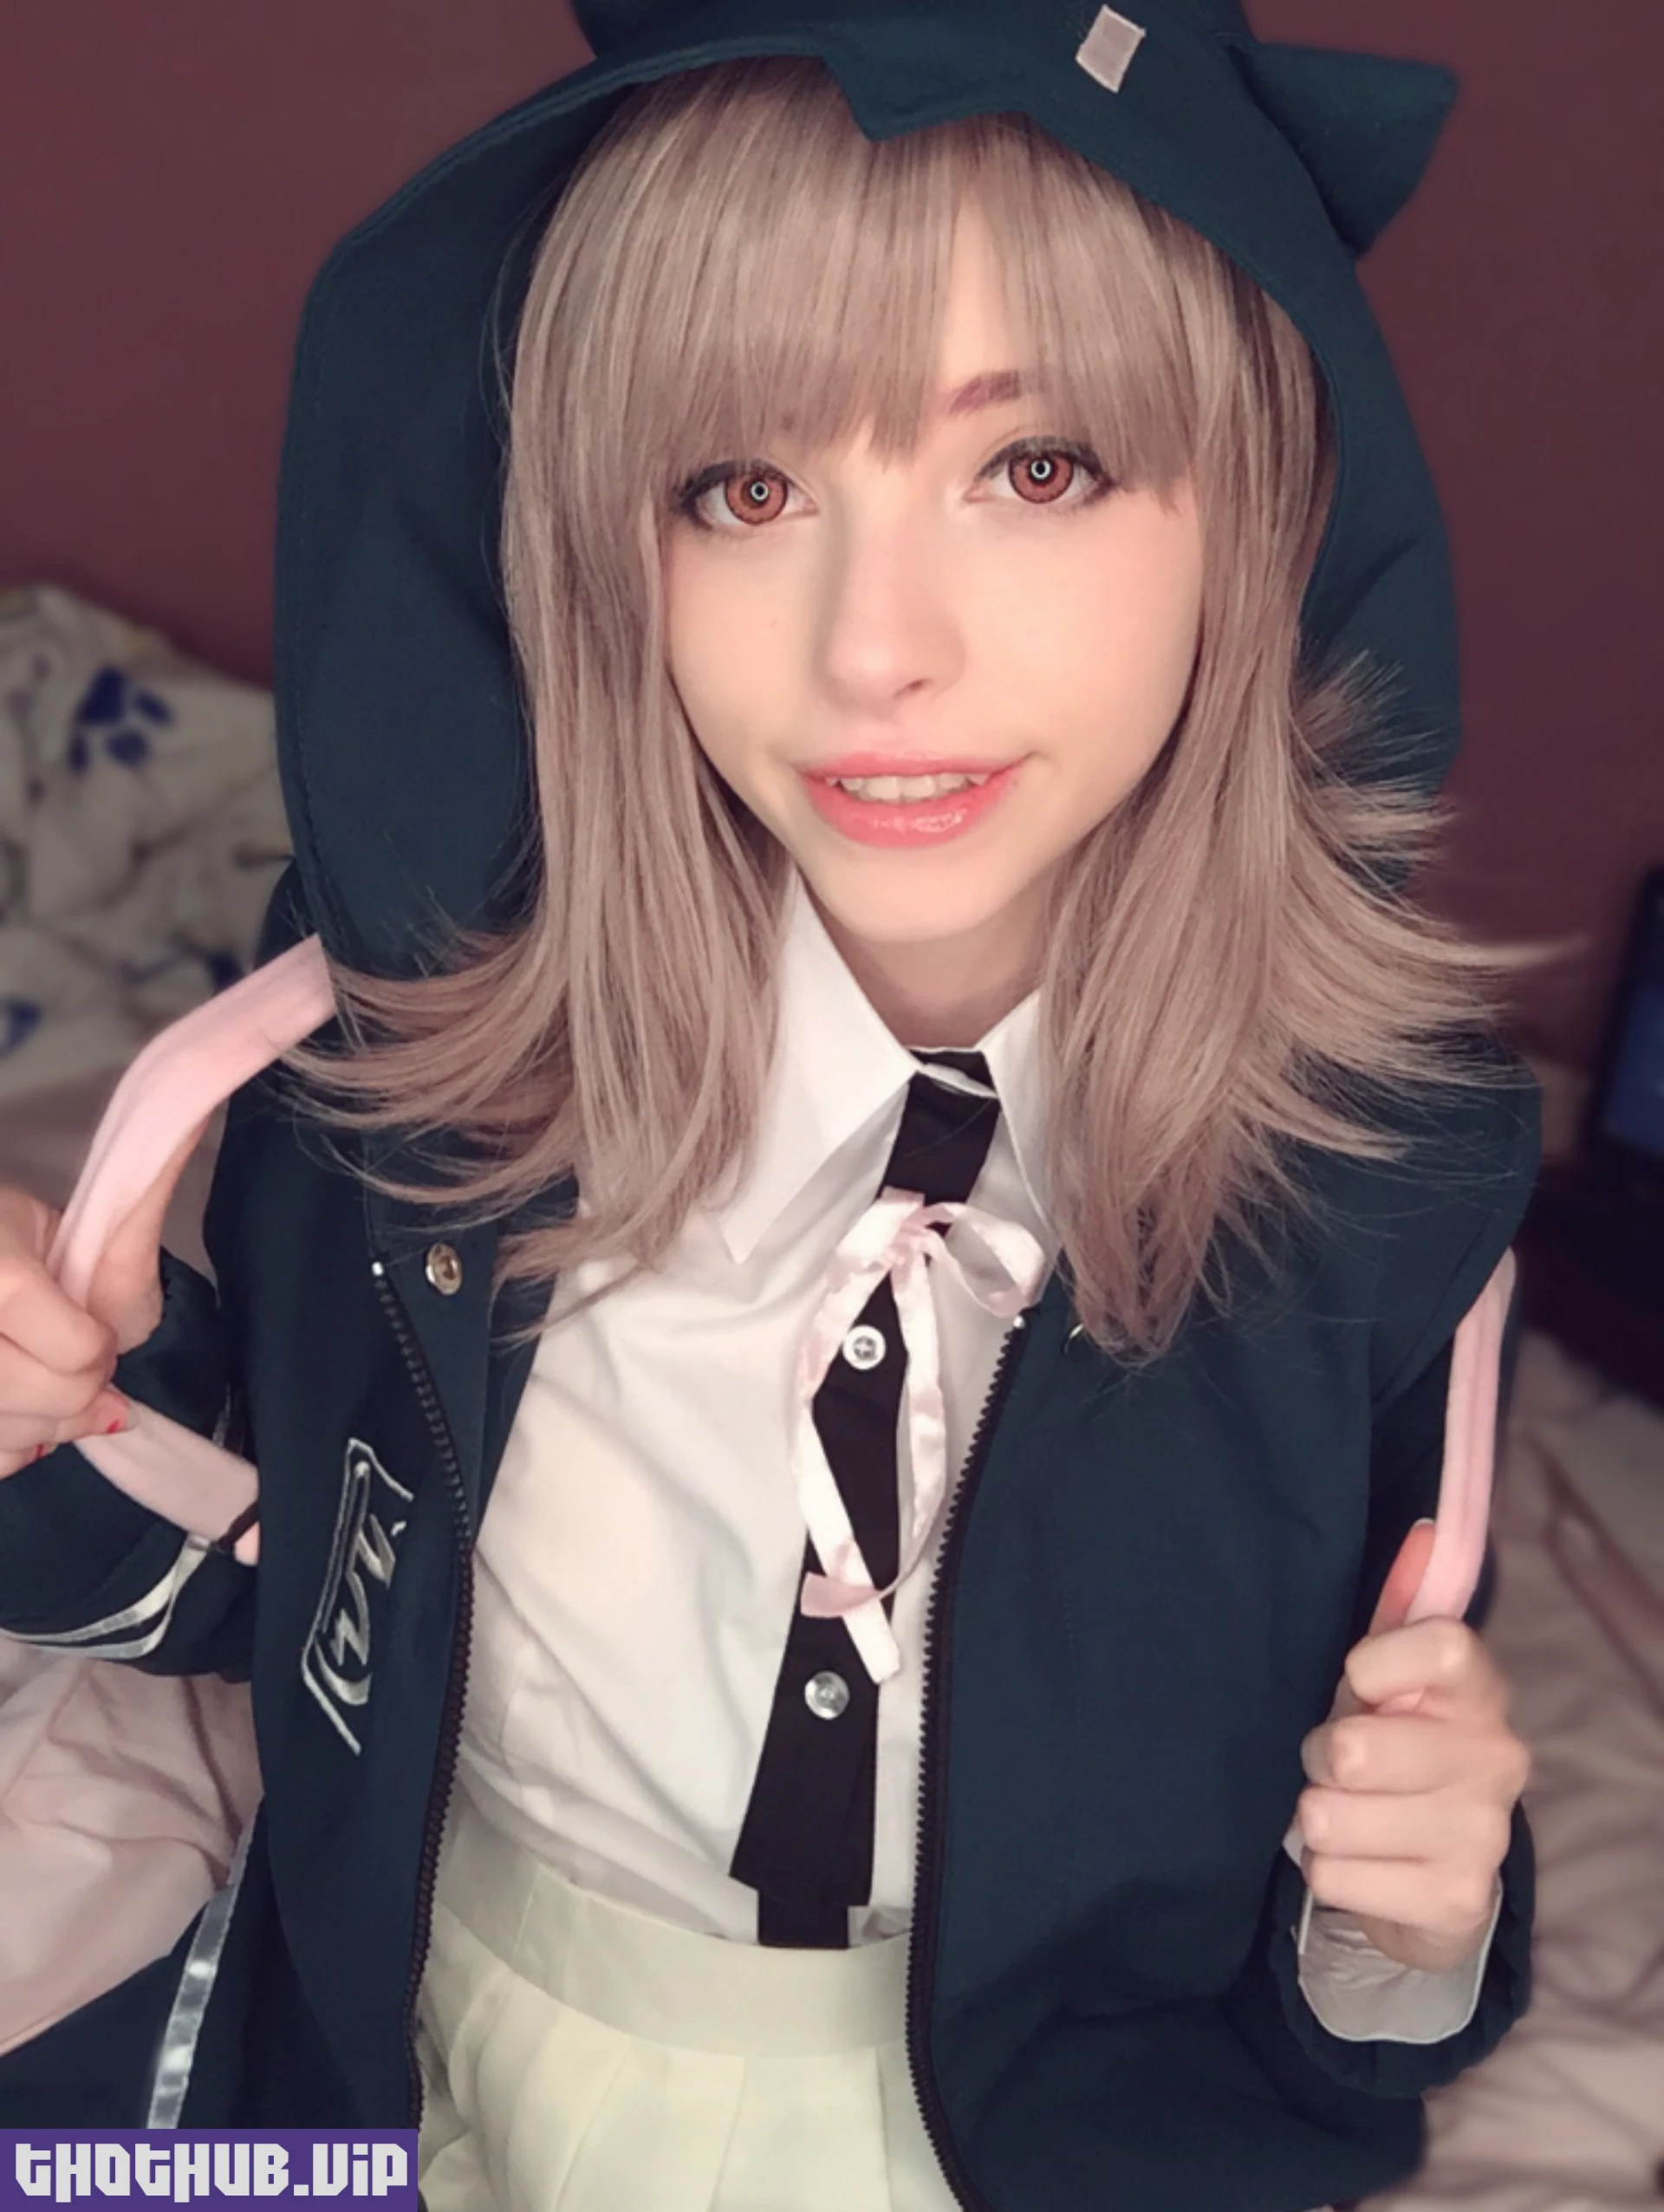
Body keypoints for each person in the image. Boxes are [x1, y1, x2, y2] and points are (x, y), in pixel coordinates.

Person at [0, 3, 1552, 2206]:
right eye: (743, 488)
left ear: (1270, 515)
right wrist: (49, 1426)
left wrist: (1415, 1913)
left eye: (1036, 468)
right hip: (413, 2062)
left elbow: (1350, 1938)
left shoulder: (1389, 1198)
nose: (870, 648)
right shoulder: (413, 1058)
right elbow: (275, 1592)